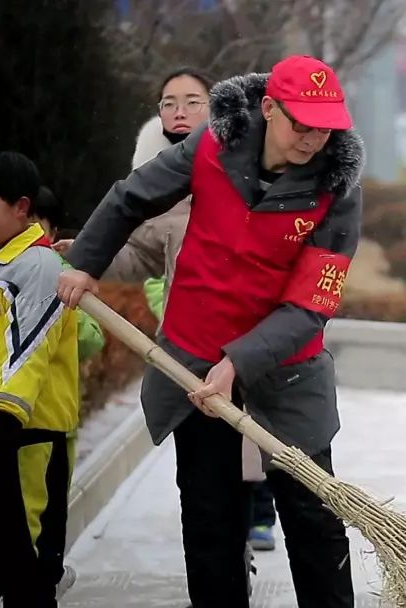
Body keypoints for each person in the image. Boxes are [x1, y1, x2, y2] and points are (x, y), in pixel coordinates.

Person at [57, 54, 362, 608]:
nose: (313, 138)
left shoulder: (336, 187)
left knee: (313, 516)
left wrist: (239, 363)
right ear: (269, 108)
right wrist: (84, 262)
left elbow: (311, 303)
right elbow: (132, 197)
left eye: (326, 127)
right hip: (194, 353)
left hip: (287, 364)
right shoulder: (210, 146)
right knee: (209, 516)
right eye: (301, 122)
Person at [58, 66, 280, 553]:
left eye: (192, 102)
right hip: (194, 362)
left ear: (219, 110)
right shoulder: (159, 188)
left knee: (259, 466)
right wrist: (86, 253)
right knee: (205, 496)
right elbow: (139, 256)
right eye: (168, 103)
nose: (179, 112)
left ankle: (256, 528)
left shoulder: (255, 175)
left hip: (259, 354)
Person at [0, 151, 81, 607]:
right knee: (4, 558)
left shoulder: (40, 266)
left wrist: (4, 418)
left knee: (29, 559)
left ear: (21, 207)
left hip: (29, 432)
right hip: (0, 430)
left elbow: (32, 350)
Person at [33, 186, 105, 363]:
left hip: (48, 386)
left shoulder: (68, 275)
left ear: (52, 234)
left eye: (33, 228)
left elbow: (91, 340)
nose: (24, 238)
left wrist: (59, 308)